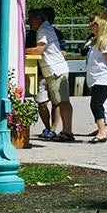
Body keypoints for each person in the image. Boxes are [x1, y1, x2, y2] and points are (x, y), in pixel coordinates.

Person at [25, 9, 75, 142]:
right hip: (54, 70)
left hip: (55, 71)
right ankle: (65, 130)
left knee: (62, 102)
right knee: (61, 101)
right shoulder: (46, 28)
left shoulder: (43, 30)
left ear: (38, 18)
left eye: (30, 19)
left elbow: (38, 50)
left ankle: (67, 131)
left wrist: (19, 50)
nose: (28, 22)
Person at [85, 11, 107, 143]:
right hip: (95, 77)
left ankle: (102, 131)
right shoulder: (95, 41)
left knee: (96, 104)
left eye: (94, 24)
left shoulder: (105, 41)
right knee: (98, 104)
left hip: (103, 77)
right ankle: (102, 129)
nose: (91, 26)